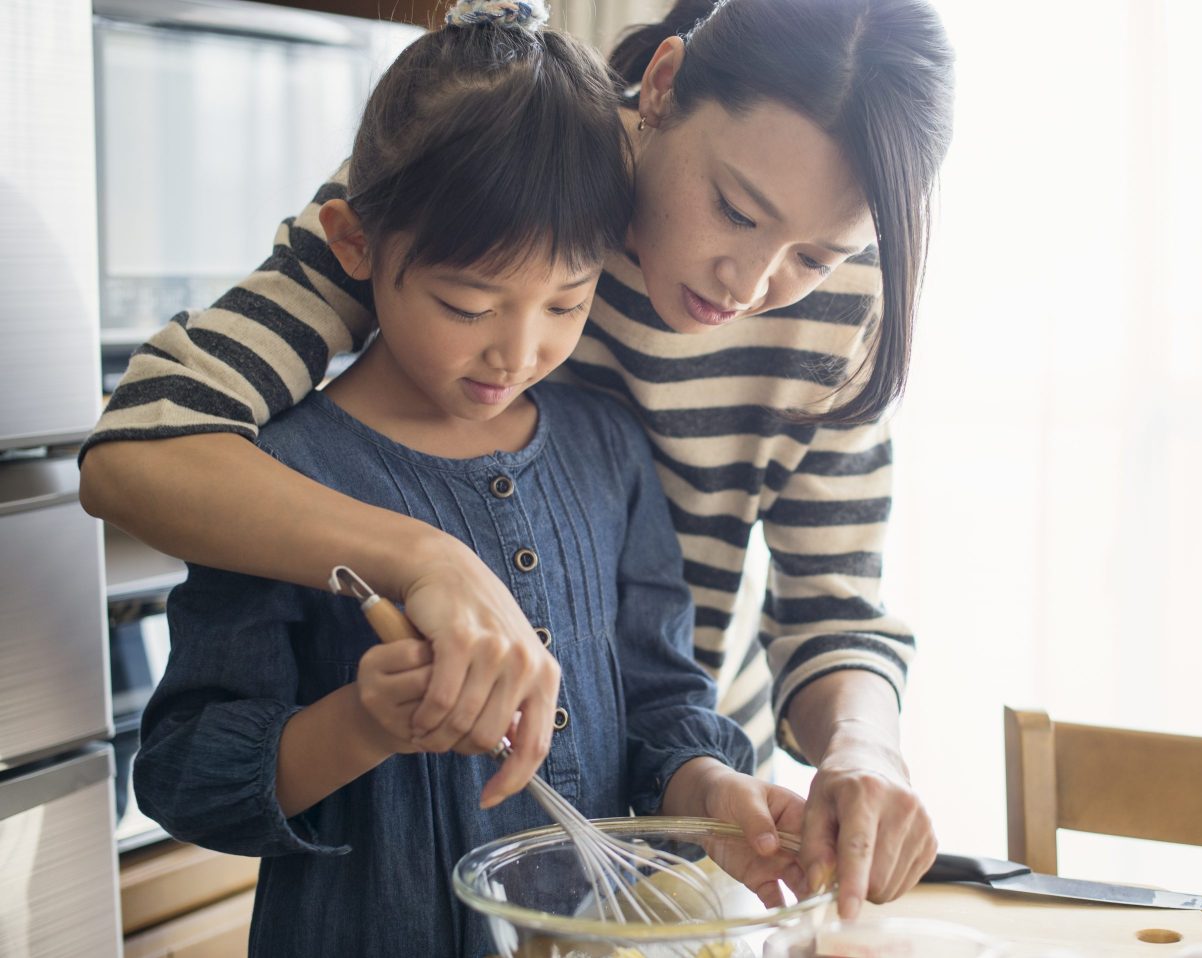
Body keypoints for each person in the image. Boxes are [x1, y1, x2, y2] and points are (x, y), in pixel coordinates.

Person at [83, 0, 956, 918]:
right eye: (735, 210)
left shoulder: (836, 300)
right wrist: (427, 559)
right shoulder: (491, 153)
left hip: (673, 817)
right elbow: (145, 442)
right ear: (661, 86)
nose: (751, 284)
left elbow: (826, 609)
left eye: (815, 256)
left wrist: (865, 750)